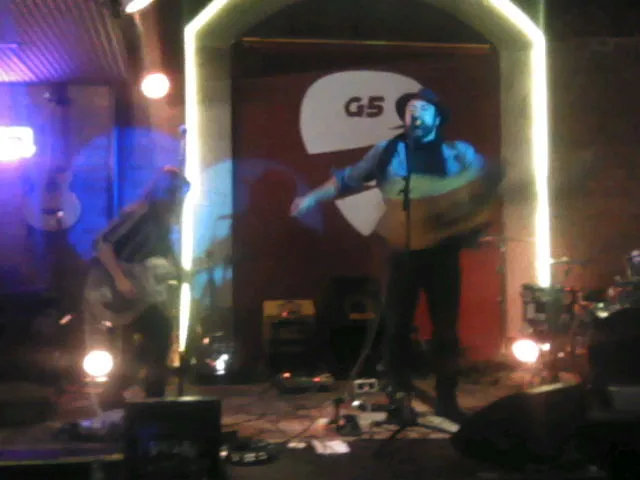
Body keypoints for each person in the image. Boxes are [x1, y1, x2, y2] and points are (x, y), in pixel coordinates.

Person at [291, 88, 496, 423]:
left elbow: (484, 186)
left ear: (437, 117)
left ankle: (447, 400)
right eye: (410, 108)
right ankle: (399, 400)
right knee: (397, 328)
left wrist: (473, 220)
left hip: (443, 254)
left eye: (423, 108)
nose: (415, 113)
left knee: (445, 330)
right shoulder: (388, 151)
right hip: (402, 254)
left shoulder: (459, 154)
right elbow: (348, 179)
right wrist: (311, 198)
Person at [85, 166, 190, 409]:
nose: (177, 201)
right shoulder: (140, 213)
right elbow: (102, 243)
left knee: (152, 338)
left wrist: (182, 272)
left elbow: (163, 254)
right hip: (119, 286)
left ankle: (135, 395)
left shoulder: (162, 222)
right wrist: (120, 279)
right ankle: (140, 395)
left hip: (142, 291)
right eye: (175, 194)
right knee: (156, 334)